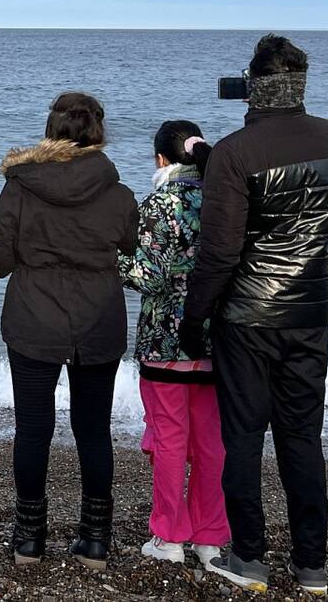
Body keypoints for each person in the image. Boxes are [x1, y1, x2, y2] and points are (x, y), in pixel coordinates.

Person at [182, 35, 328, 596]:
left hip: (248, 317)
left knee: (245, 438)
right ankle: (312, 566)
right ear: (298, 84)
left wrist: (193, 317)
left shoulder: (234, 152)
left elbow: (220, 253)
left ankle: (249, 557)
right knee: (303, 438)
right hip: (310, 310)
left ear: (253, 87)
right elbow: (297, 210)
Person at [0, 92, 138, 570]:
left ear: (50, 133)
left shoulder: (21, 188)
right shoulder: (119, 193)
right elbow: (131, 246)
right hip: (98, 322)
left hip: (34, 322)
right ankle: (95, 540)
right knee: (94, 432)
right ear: (99, 134)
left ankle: (29, 539)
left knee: (33, 432)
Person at [118, 120, 230, 572]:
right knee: (210, 442)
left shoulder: (160, 204)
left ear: (160, 159)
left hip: (166, 340)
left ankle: (169, 535)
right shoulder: (226, 201)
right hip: (218, 338)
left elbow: (148, 276)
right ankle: (210, 538)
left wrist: (114, 256)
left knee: (168, 439)